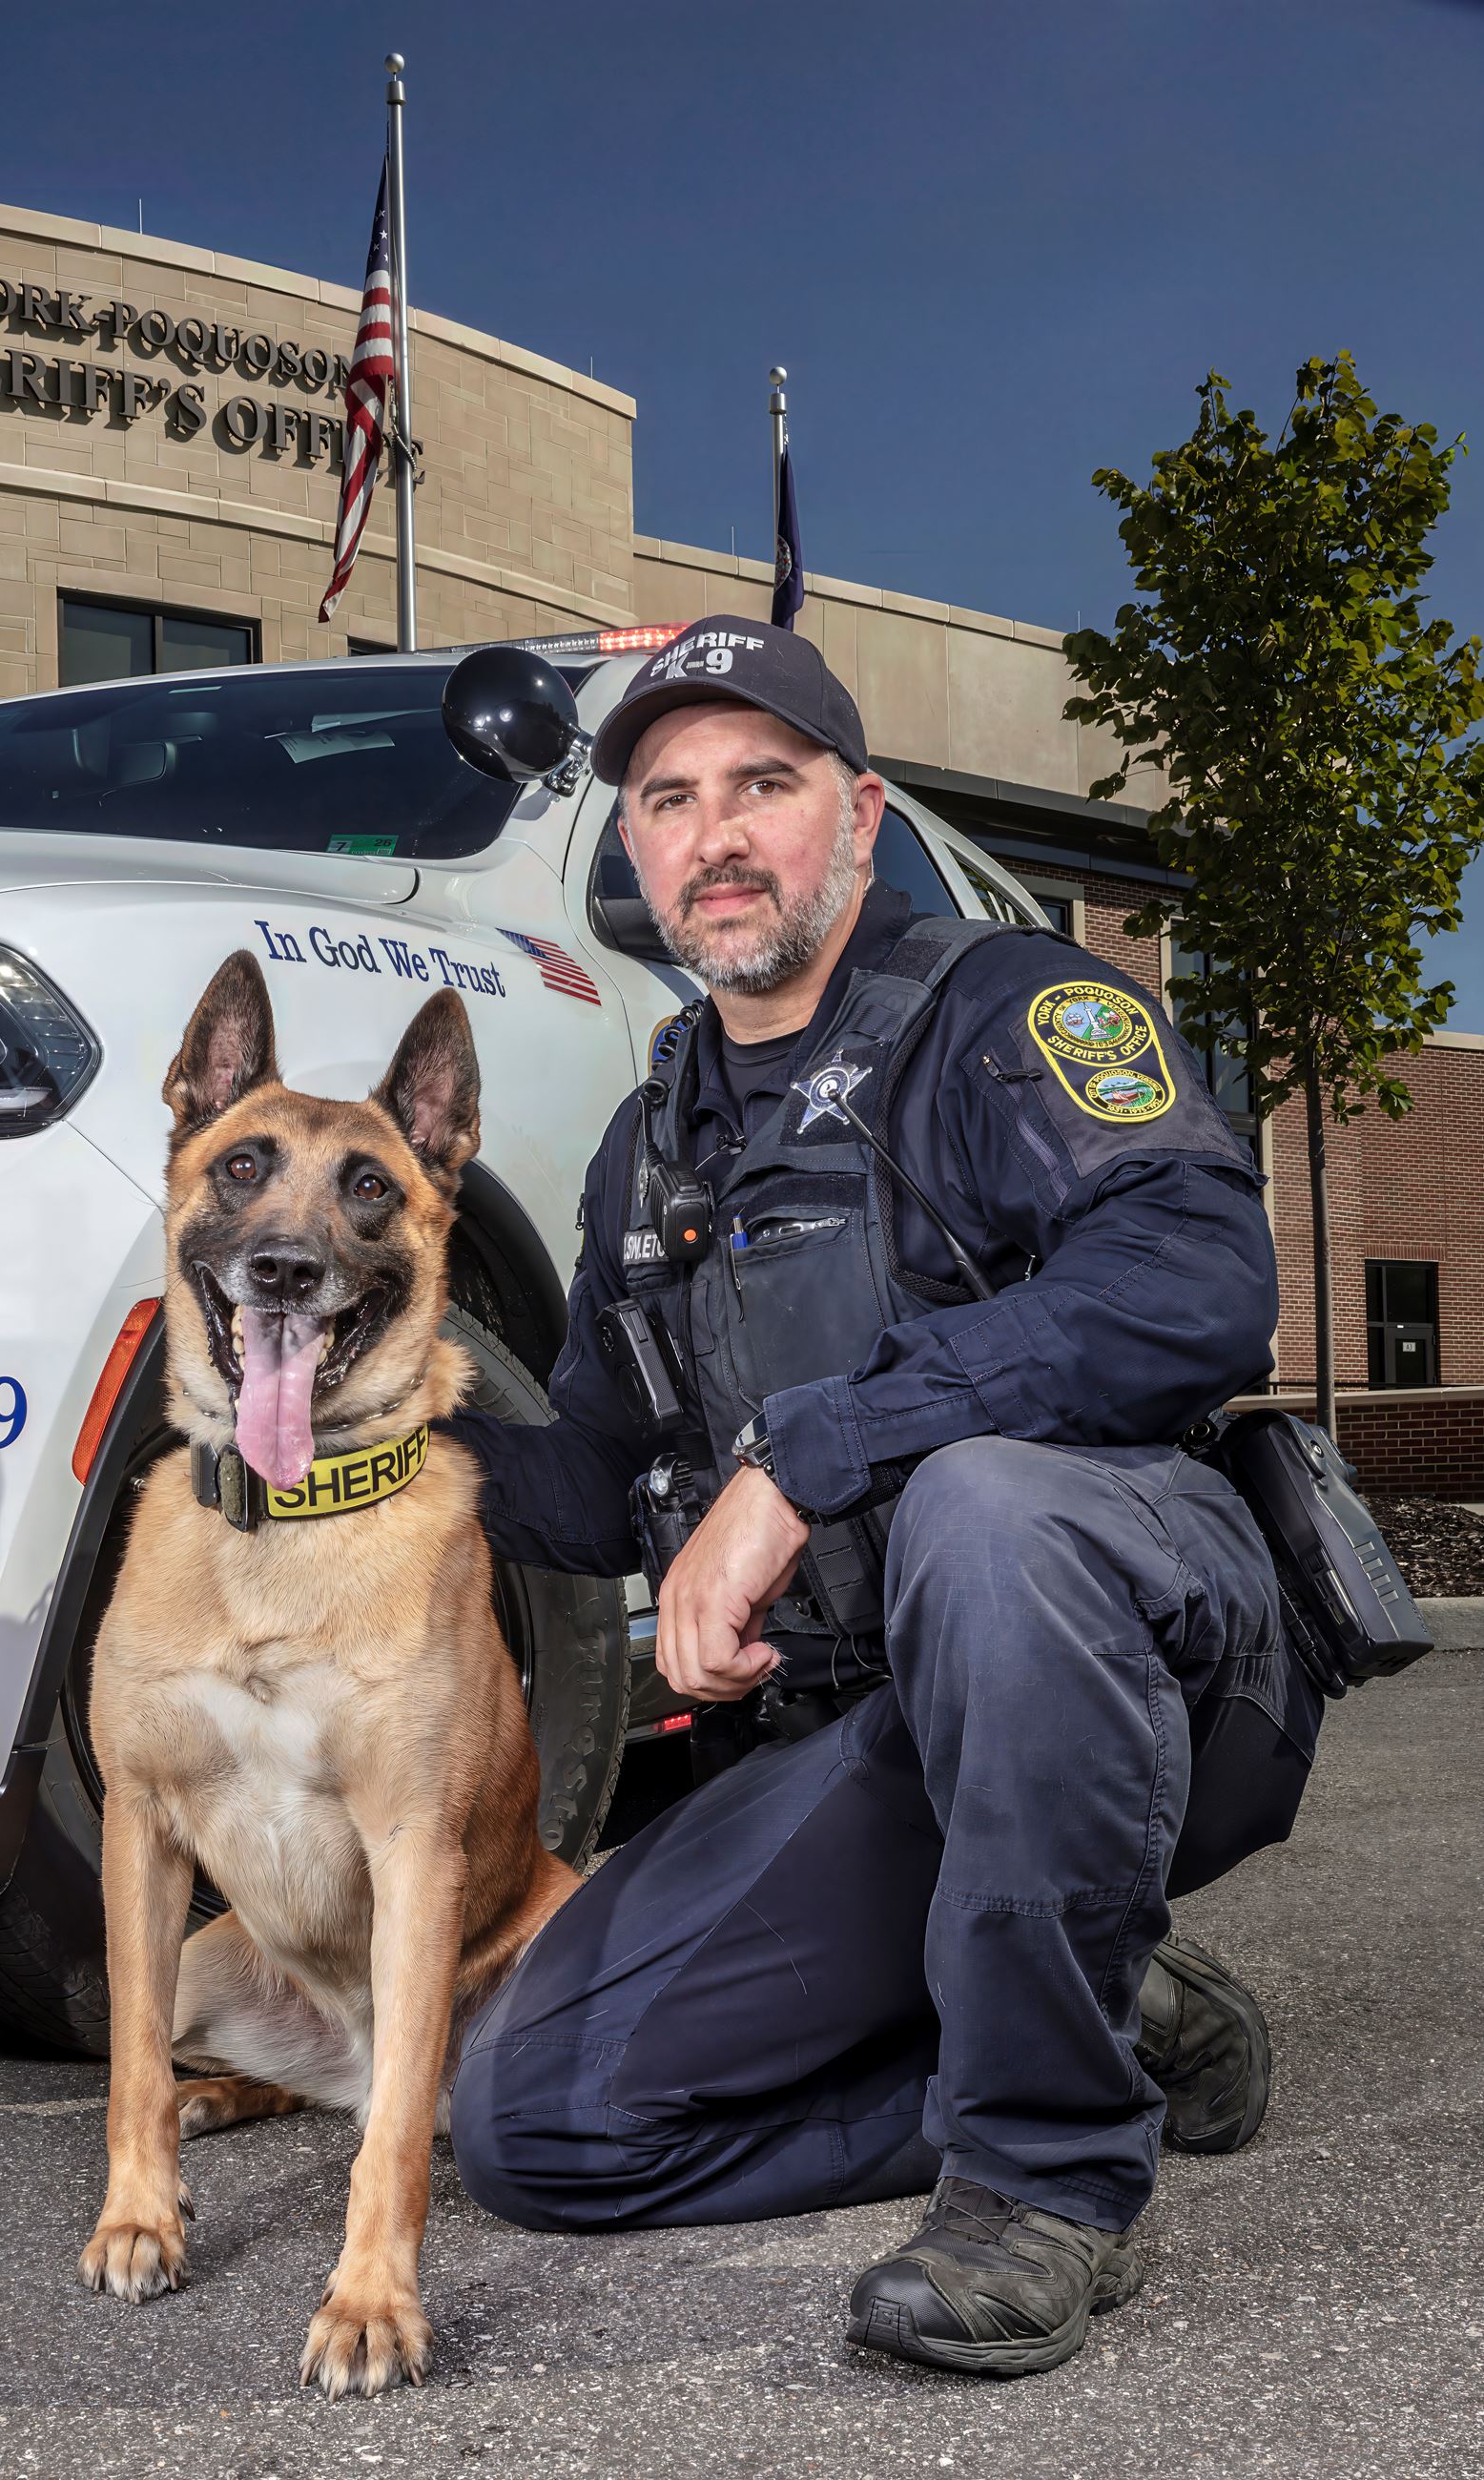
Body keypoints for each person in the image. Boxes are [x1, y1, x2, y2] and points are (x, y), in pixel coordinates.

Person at [445, 618, 1323, 2378]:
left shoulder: (1005, 1013)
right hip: (867, 1749)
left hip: (1149, 1676)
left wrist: (809, 1454)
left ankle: (1047, 2180)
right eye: (670, 797)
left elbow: (1193, 1280)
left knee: (989, 1511)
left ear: (854, 813)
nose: (719, 833)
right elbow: (604, 1475)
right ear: (633, 850)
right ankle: (1097, 2023)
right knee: (536, 2129)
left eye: (764, 784)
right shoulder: (656, 1142)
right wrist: (379, 1464)